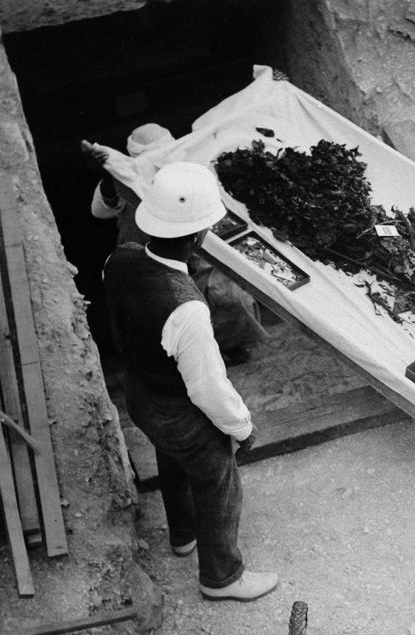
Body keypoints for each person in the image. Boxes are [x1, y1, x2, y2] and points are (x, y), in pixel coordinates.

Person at [103, 161, 277, 602]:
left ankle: (182, 535)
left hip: (140, 394)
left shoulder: (118, 260)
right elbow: (207, 387)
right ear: (200, 237)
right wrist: (242, 427)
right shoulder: (187, 309)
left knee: (172, 459)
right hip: (178, 408)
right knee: (218, 477)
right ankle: (222, 577)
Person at [84, 128, 268, 365]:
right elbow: (101, 210)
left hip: (196, 253)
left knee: (227, 296)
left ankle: (232, 347)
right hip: (151, 257)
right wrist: (111, 176)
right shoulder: (127, 176)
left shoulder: (187, 169)